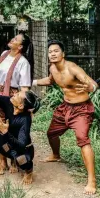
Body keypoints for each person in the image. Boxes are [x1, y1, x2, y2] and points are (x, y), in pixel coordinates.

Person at [33, 40, 98, 195]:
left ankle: (92, 180)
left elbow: (93, 84)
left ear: (63, 54)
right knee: (51, 133)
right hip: (65, 107)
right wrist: (31, 82)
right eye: (50, 52)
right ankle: (56, 155)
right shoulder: (52, 68)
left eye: (56, 51)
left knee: (83, 140)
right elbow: (50, 81)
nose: (53, 54)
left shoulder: (73, 68)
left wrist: (90, 87)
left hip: (81, 109)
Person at [0, 61, 40, 185]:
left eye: (17, 94)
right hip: (8, 145)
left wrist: (6, 132)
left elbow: (21, 146)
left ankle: (29, 171)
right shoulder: (8, 102)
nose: (14, 93)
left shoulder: (25, 119)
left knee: (20, 158)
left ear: (21, 105)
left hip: (23, 150)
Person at [0, 33, 33, 170]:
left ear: (20, 46)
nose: (12, 39)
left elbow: (24, 88)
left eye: (15, 39)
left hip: (10, 96)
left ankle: (13, 159)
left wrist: (26, 108)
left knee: (9, 128)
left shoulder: (23, 63)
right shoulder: (5, 53)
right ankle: (3, 160)